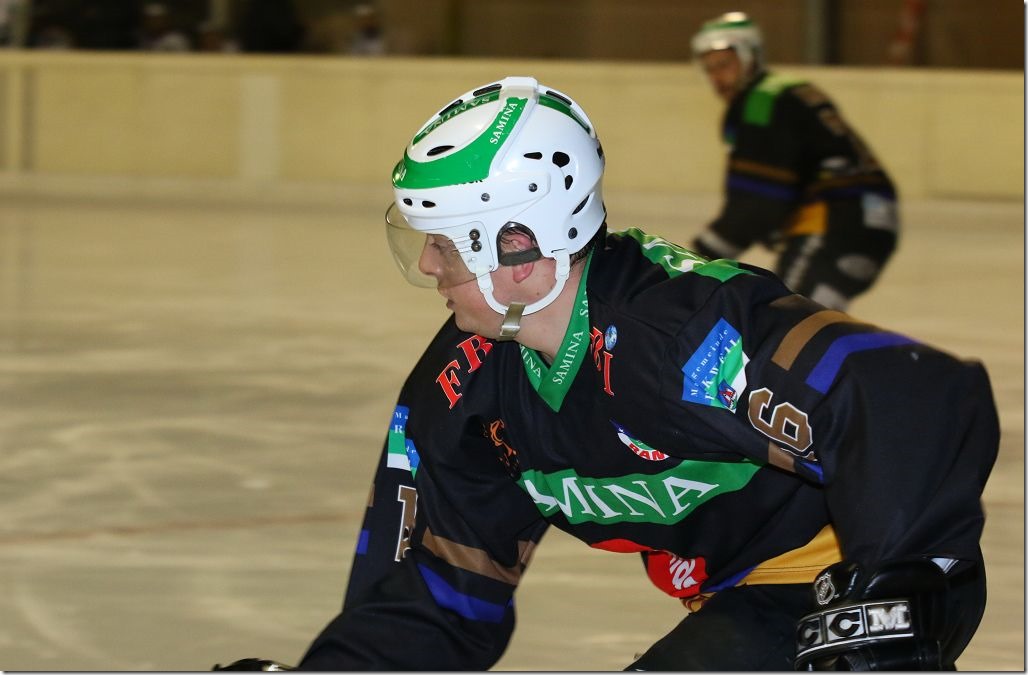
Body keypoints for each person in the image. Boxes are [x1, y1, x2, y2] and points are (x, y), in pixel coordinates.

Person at [217, 76, 997, 671]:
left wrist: (896, 590)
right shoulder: (465, 390)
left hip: (852, 579)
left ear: (518, 247)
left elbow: (915, 393)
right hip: (743, 595)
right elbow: (442, 595)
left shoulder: (680, 330)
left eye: (444, 243)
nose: (426, 264)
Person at [690, 12, 899, 312]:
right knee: (807, 323)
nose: (717, 79)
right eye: (709, 69)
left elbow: (755, 204)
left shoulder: (760, 102)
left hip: (836, 221)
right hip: (870, 222)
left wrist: (697, 260)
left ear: (750, 57)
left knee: (790, 322)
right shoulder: (787, 90)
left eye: (724, 65)